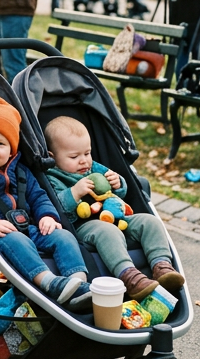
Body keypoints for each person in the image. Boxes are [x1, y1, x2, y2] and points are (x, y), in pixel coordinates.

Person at [0, 99, 93, 312]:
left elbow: (38, 196)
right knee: (17, 241)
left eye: (0, 144)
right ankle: (49, 282)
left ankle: (79, 284)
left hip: (30, 227)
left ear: (12, 150)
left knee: (63, 236)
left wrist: (47, 216)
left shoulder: (20, 171)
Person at [43, 116, 185, 300]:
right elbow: (57, 206)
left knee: (150, 222)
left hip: (117, 217)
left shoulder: (93, 167)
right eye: (74, 156)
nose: (83, 161)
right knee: (108, 231)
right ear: (52, 157)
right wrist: (74, 193)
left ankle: (162, 266)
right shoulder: (53, 176)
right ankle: (129, 276)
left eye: (87, 153)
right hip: (86, 225)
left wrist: (118, 183)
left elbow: (118, 191)